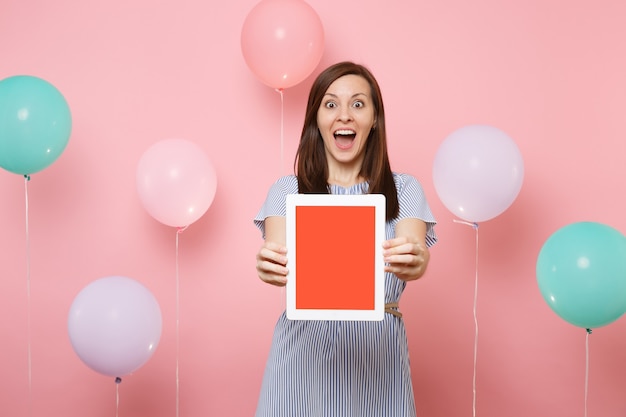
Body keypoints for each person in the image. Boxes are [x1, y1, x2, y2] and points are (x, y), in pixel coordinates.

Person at [253, 61, 437, 417]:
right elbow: (274, 252)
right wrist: (268, 264)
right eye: (331, 104)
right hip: (300, 359)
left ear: (373, 120)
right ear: (316, 120)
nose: (345, 116)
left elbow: (416, 254)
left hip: (378, 359)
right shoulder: (287, 192)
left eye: (358, 104)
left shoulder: (404, 189)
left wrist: (415, 259)